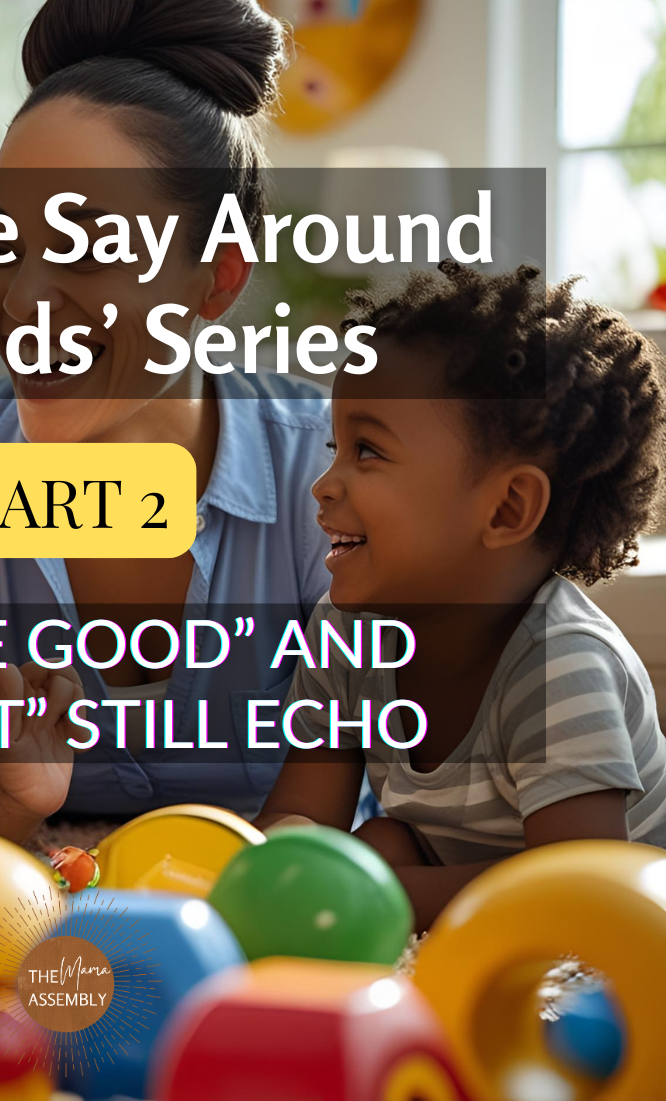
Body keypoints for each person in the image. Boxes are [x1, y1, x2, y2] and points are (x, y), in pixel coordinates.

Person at [0, 0, 339, 839]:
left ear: (217, 281)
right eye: (3, 245)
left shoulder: (326, 470)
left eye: (86, 248)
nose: (20, 305)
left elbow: (403, 787)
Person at [257, 261, 666, 930]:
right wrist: (262, 861)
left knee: (375, 864)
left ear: (506, 509)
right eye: (335, 447)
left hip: (620, 907)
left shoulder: (560, 663)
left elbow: (577, 889)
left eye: (367, 452)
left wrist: (373, 895)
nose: (323, 485)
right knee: (373, 845)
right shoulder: (345, 630)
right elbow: (301, 815)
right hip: (455, 855)